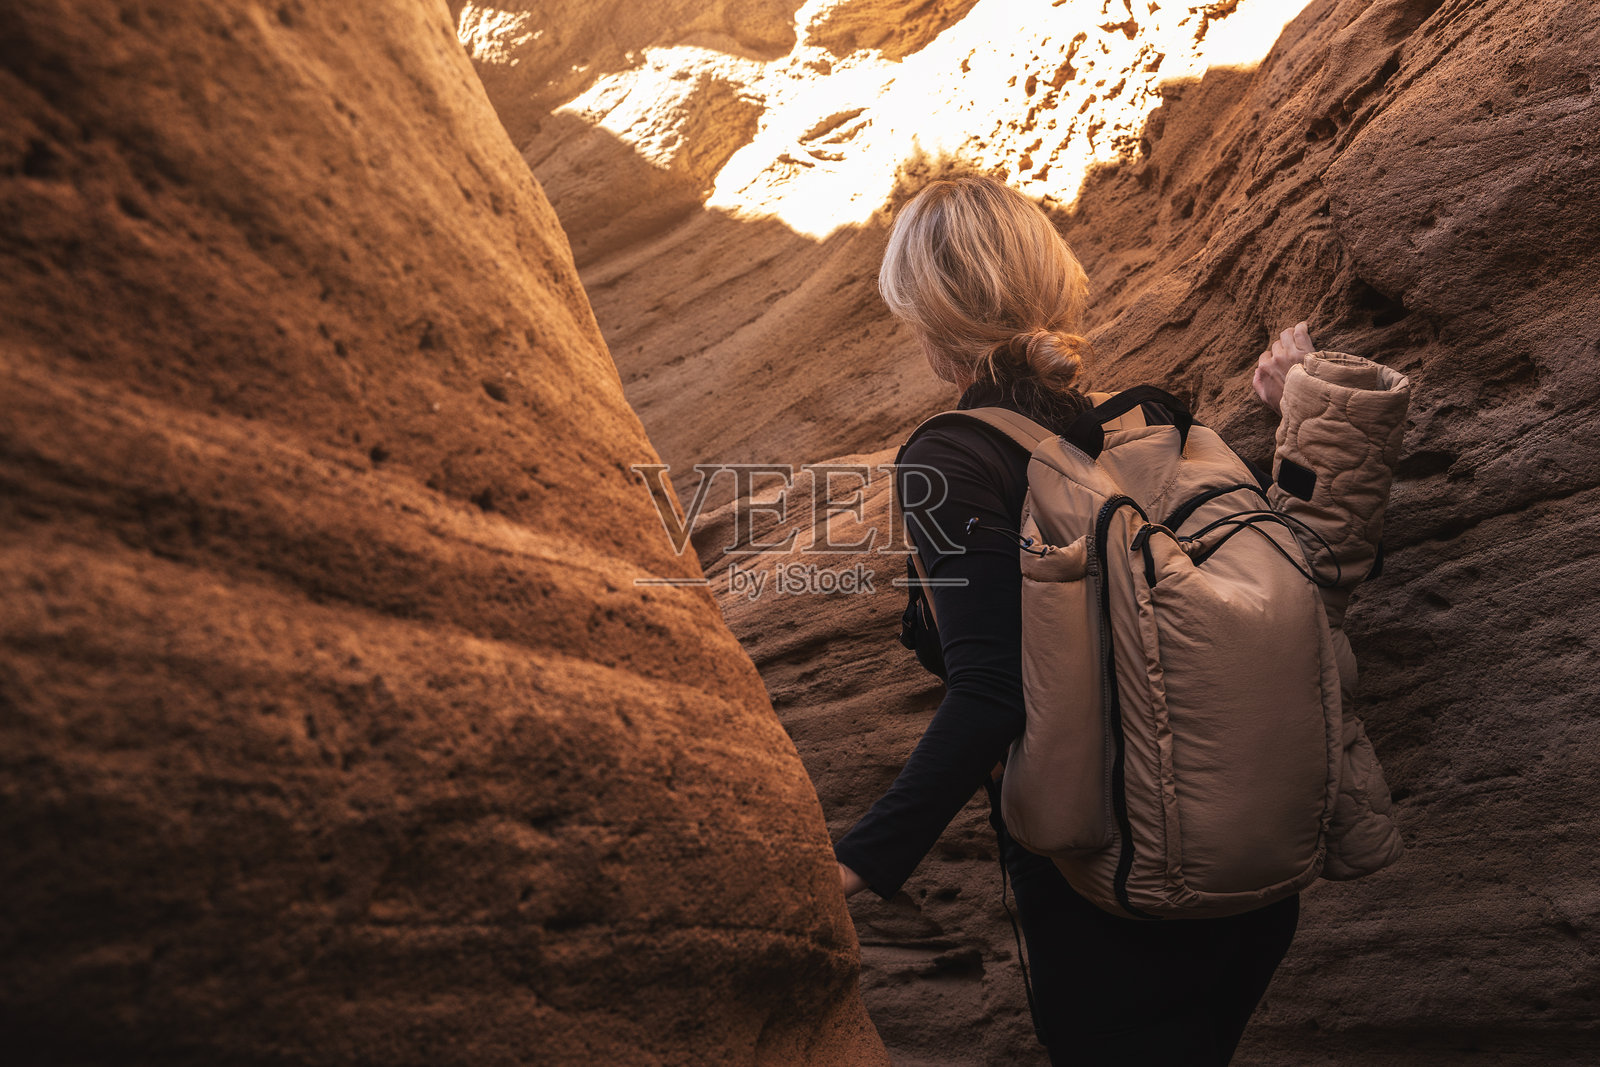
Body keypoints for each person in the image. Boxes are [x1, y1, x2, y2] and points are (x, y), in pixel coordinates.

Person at [833, 175, 1396, 1066]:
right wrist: (1294, 415)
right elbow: (1307, 569)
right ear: (1054, 284)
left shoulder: (953, 455)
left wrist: (858, 862)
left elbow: (993, 691)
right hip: (1256, 883)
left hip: (1109, 900)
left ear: (929, 322)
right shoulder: (1156, 425)